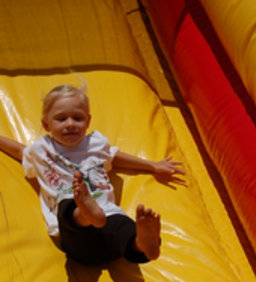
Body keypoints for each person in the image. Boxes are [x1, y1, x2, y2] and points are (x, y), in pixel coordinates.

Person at [0, 84, 184, 265]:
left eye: (77, 118)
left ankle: (141, 244)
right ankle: (84, 213)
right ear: (45, 124)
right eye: (61, 119)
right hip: (75, 237)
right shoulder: (41, 150)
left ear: (87, 121)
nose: (70, 124)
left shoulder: (96, 144)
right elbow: (19, 151)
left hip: (106, 220)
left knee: (123, 226)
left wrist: (152, 165)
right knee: (67, 206)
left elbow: (114, 157)